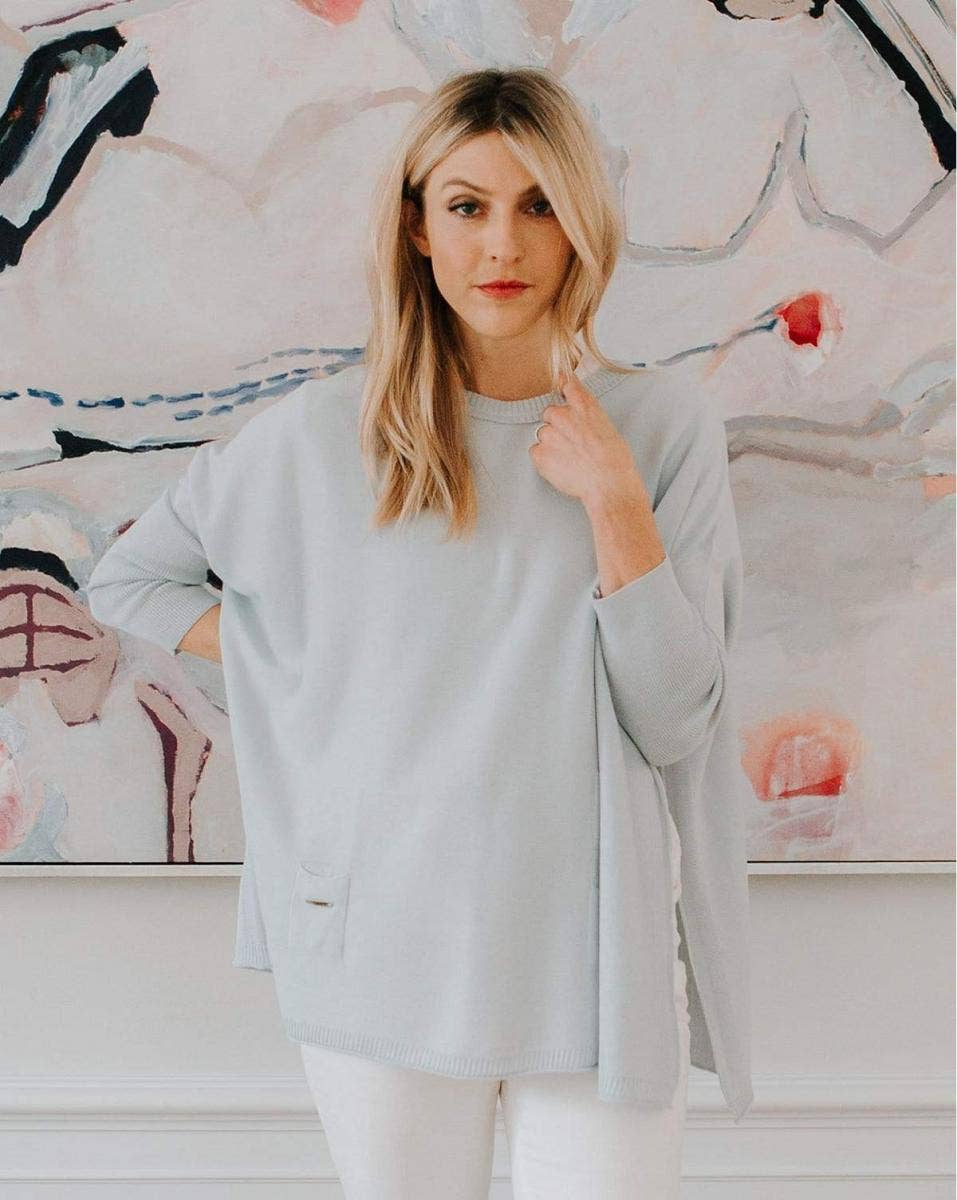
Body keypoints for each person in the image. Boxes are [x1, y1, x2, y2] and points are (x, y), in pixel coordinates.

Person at [86, 66, 753, 1199]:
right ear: (416, 226)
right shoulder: (320, 436)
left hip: (598, 961)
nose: (503, 243)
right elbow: (130, 579)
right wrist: (302, 662)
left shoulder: (660, 429)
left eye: (539, 204)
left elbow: (676, 718)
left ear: (582, 224)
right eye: (467, 205)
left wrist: (615, 505)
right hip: (383, 949)